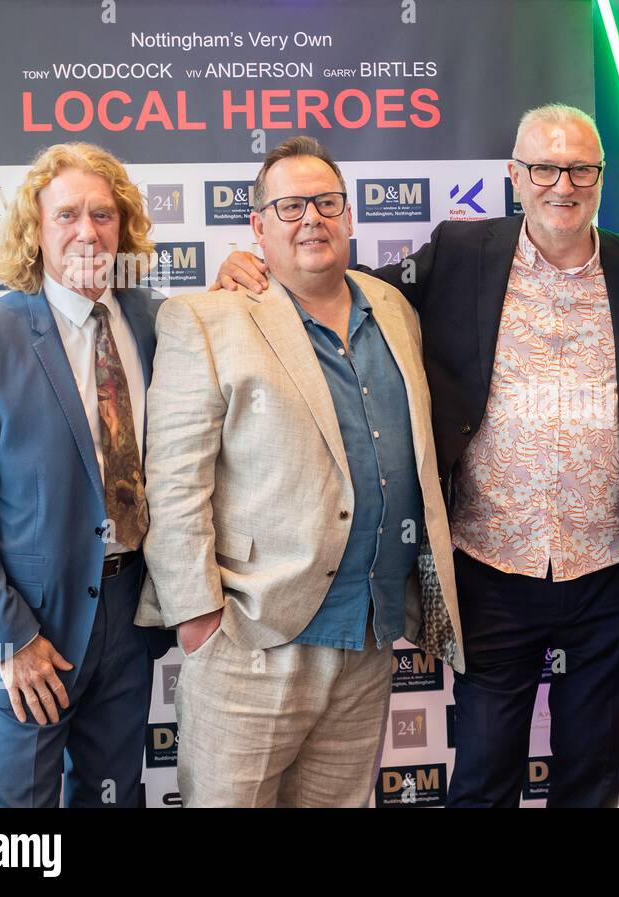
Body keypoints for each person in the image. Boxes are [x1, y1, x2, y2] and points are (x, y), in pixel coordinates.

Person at [214, 104, 619, 807]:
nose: (562, 184)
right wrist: (258, 267)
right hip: (489, 565)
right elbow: (349, 295)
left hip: (610, 572)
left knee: (590, 774)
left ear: (600, 176)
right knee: (481, 772)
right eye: (544, 168)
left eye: (580, 169)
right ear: (514, 176)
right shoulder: (461, 252)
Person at [136, 136, 462, 807]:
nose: (310, 217)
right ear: (257, 226)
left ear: (348, 216)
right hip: (251, 640)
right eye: (288, 206)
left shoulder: (392, 308)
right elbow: (173, 485)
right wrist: (199, 618)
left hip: (368, 639)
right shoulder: (205, 318)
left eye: (326, 202)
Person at [0, 142, 172, 807]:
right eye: (66, 215)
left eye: (103, 214)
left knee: (113, 796)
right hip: (28, 625)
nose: (87, 231)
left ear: (125, 228)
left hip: (130, 611)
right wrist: (14, 639)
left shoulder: (158, 324)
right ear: (36, 229)